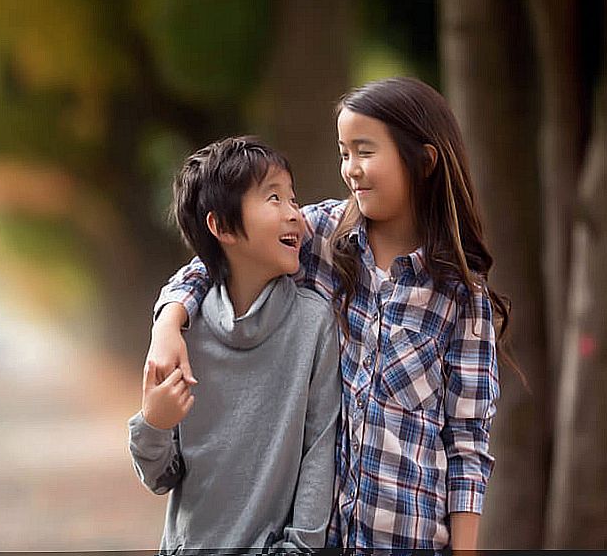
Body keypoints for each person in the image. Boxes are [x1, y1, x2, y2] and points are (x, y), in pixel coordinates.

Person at [147, 77, 508, 552]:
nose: (351, 170)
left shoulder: (461, 297)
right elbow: (216, 259)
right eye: (344, 154)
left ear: (424, 161)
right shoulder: (321, 236)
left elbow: (467, 444)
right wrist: (168, 323)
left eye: (365, 151)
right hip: (319, 540)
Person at [128, 136, 341, 553]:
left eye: (292, 199)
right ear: (222, 227)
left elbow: (320, 449)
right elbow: (159, 477)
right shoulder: (183, 336)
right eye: (274, 198)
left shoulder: (314, 323)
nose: (295, 215)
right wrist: (154, 423)